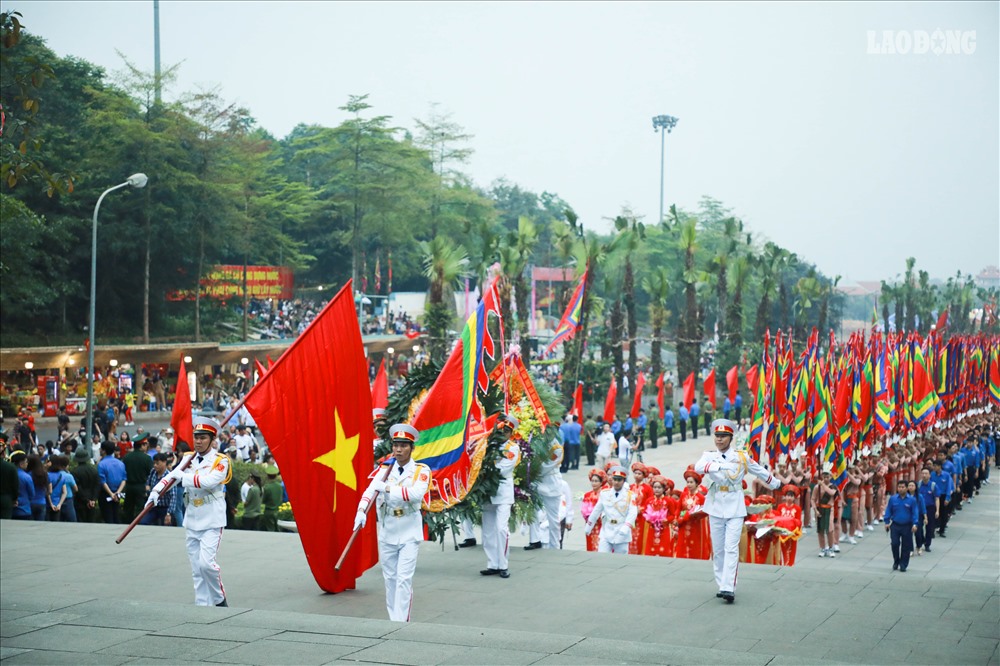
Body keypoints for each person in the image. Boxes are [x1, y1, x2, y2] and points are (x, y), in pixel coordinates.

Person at [147, 416, 232, 606]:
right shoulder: (188, 458)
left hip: (212, 519)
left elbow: (208, 481)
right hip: (192, 517)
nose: (199, 441)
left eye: (203, 437)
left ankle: (219, 599)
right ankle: (202, 605)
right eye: (196, 437)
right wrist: (156, 492)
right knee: (196, 568)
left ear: (212, 439)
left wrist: (181, 476)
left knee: (206, 565)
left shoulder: (221, 460)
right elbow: (172, 478)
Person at [694, 418, 779, 603]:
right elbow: (698, 468)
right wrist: (720, 466)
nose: (719, 440)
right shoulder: (709, 456)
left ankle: (728, 587)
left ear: (730, 437)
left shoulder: (741, 456)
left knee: (731, 547)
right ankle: (721, 583)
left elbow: (758, 470)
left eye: (723, 436)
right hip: (716, 505)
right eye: (717, 436)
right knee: (718, 550)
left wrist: (775, 482)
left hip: (734, 505)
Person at [354, 423, 430, 622]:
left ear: (411, 448)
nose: (398, 449)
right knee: (390, 579)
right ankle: (392, 618)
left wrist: (387, 489)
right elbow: (370, 491)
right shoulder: (385, 469)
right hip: (388, 528)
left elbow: (415, 495)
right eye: (395, 444)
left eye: (403, 445)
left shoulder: (420, 470)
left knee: (404, 578)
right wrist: (361, 511)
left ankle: (401, 621)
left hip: (409, 529)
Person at [481, 415, 522, 579]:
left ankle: (503, 564)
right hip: (487, 492)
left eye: (507, 431)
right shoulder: (488, 445)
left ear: (511, 433)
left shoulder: (512, 448)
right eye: (501, 430)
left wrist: (485, 468)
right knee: (488, 531)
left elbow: (503, 469)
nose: (503, 433)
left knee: (501, 529)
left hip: (503, 493)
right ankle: (492, 563)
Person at [584, 466, 637, 554]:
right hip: (607, 529)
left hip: (621, 530)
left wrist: (626, 527)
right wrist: (589, 525)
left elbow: (633, 512)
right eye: (614, 479)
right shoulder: (605, 494)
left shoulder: (629, 495)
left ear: (623, 481)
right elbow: (597, 510)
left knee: (620, 560)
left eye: (619, 480)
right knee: (602, 556)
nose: (616, 482)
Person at [526, 437, 564, 550]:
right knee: (533, 513)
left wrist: (531, 471)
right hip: (536, 483)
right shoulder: (534, 440)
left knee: (553, 518)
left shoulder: (556, 447)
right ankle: (534, 540)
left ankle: (555, 544)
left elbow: (547, 465)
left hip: (551, 485)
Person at [883, 478, 919, 572]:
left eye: (903, 487)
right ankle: (896, 561)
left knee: (906, 546)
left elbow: (915, 513)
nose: (901, 489)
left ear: (907, 488)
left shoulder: (912, 500)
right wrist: (886, 522)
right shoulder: (893, 499)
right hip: (895, 525)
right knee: (895, 543)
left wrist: (915, 524)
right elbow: (888, 510)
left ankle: (903, 564)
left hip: (907, 526)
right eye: (899, 487)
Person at [123, 436, 153, 523]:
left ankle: (127, 526)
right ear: (142, 445)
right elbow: (151, 473)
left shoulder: (127, 457)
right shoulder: (146, 458)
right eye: (145, 444)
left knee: (128, 508)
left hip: (129, 486)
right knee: (140, 509)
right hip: (141, 486)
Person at [97, 441, 126, 524]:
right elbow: (124, 479)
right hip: (117, 493)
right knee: (116, 515)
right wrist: (117, 492)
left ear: (103, 451)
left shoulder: (101, 464)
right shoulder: (120, 463)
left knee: (107, 518)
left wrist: (111, 494)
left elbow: (103, 481)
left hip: (106, 494)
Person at [141, 453, 174, 526]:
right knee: (143, 522)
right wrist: (147, 488)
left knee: (165, 527)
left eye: (157, 463)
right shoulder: (153, 472)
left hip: (165, 507)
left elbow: (173, 497)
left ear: (164, 462)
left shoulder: (170, 476)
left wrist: (169, 513)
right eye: (154, 463)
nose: (155, 465)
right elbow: (148, 482)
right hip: (153, 506)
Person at [71, 448, 100, 523]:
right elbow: (97, 486)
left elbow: (78, 488)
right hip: (92, 499)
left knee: (81, 521)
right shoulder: (94, 470)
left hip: (80, 501)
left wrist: (86, 500)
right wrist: (93, 500)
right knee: (91, 521)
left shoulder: (75, 472)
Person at [580, 469, 606, 552]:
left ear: (601, 482)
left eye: (596, 481)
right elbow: (584, 509)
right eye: (592, 481)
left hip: (601, 524)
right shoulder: (587, 495)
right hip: (590, 524)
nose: (594, 483)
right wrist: (586, 515)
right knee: (591, 544)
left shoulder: (604, 494)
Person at [260, 465, 283, 531]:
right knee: (278, 529)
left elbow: (264, 500)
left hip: (269, 511)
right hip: (278, 510)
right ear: (276, 475)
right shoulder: (280, 486)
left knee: (271, 530)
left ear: (267, 476)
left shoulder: (267, 487)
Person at [11, 450, 34, 520]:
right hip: (24, 510)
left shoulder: (8, 474)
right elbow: (32, 494)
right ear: (21, 464)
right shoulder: (26, 477)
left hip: (10, 510)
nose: (27, 464)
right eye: (26, 462)